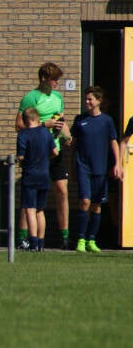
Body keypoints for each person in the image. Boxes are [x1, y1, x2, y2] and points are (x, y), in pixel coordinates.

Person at [15, 62, 71, 250]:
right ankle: (24, 237)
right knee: (29, 198)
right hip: (37, 153)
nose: (56, 83)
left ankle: (64, 235)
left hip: (54, 149)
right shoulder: (31, 97)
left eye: (58, 79)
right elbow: (19, 126)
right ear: (43, 79)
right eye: (54, 79)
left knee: (62, 191)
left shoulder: (57, 97)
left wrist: (67, 135)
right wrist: (44, 126)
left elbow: (61, 121)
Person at [70, 86, 122, 253]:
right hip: (82, 166)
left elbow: (113, 142)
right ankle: (80, 238)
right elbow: (72, 144)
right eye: (86, 99)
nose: (87, 102)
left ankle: (92, 239)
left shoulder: (107, 121)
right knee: (85, 201)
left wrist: (117, 163)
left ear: (98, 101)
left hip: (99, 167)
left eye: (90, 99)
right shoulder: (80, 120)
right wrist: (72, 167)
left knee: (97, 205)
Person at [16, 107, 58, 252]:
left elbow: (20, 156)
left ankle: (33, 243)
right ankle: (41, 243)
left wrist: (23, 161)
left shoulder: (23, 134)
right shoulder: (46, 133)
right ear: (37, 118)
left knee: (30, 209)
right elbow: (55, 152)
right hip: (44, 175)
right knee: (40, 210)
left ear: (26, 120)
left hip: (30, 175)